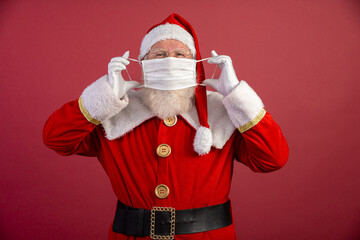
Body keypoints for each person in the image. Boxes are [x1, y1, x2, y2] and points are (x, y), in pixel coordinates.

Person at [43, 13, 289, 240]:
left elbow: (272, 159)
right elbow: (56, 138)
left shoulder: (223, 111)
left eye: (181, 55)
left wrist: (237, 96)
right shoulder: (114, 112)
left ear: (195, 64)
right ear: (142, 63)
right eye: (159, 54)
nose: (170, 61)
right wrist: (103, 96)